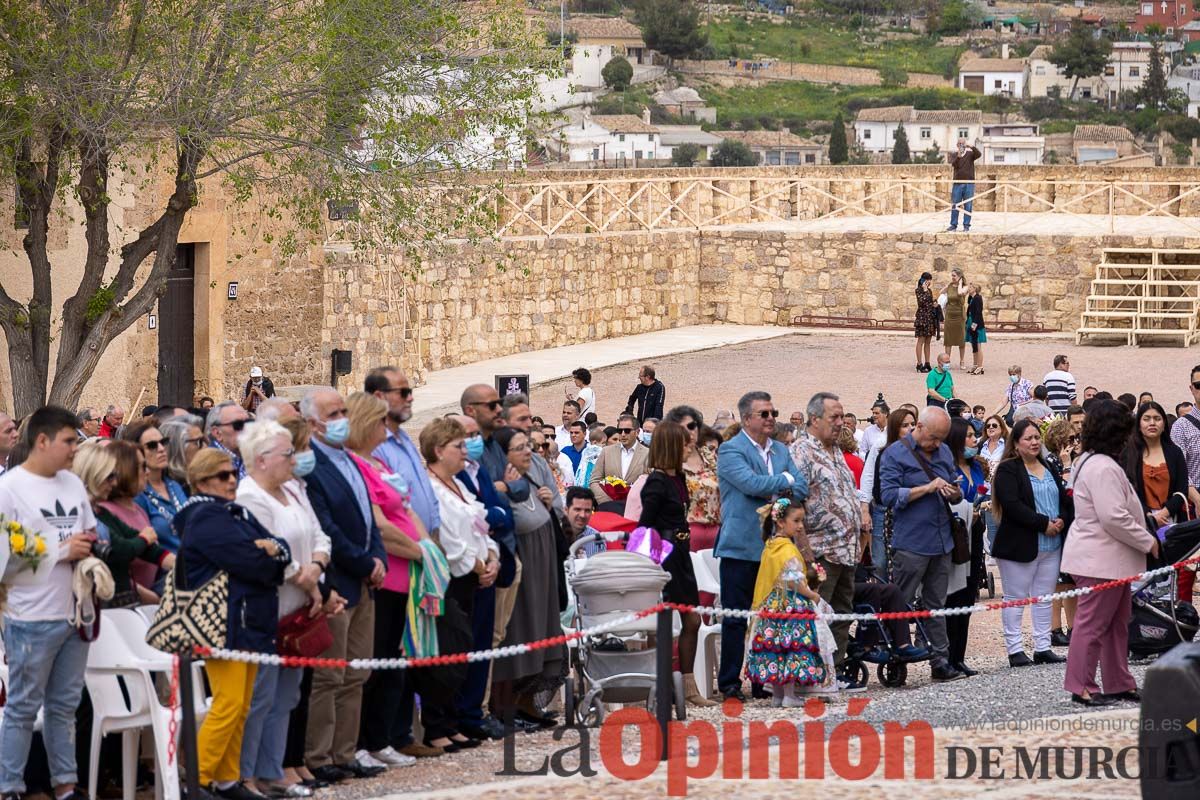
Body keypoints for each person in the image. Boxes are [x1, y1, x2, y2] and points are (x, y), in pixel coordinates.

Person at [177, 448, 292, 799]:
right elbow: (251, 563)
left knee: (242, 705)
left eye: (233, 474)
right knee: (227, 704)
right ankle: (199, 778)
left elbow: (281, 549)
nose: (232, 481)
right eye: (223, 476)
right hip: (226, 621)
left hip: (249, 620)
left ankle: (227, 778)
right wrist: (267, 554)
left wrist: (271, 551)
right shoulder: (206, 518)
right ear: (201, 482)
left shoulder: (234, 513)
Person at [236, 421, 342, 792]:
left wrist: (316, 568)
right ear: (262, 459)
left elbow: (319, 535)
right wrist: (309, 579)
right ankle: (247, 775)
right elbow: (268, 551)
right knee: (260, 698)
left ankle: (274, 768)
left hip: (301, 608)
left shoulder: (293, 490)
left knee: (287, 696)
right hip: (269, 610)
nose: (293, 459)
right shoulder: (250, 496)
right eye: (286, 453)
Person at [300, 388, 387, 782]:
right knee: (330, 675)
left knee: (357, 672)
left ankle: (345, 751)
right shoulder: (312, 467)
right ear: (313, 424)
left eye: (342, 412)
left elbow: (368, 517)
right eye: (332, 414)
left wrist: (378, 557)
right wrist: (364, 560)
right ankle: (319, 755)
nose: (341, 419)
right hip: (338, 579)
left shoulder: (350, 459)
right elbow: (327, 528)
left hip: (365, 580)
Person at [342, 393, 427, 768]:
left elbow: (404, 508)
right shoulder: (357, 466)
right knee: (373, 663)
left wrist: (425, 548)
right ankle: (362, 739)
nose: (384, 429)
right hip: (386, 574)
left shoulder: (375, 462)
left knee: (394, 660)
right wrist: (419, 549)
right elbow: (380, 522)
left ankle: (384, 737)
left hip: (406, 575)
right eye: (378, 422)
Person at [1062, 400, 1160, 706]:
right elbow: (1113, 516)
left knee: (1117, 623)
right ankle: (1081, 685)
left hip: (1108, 559)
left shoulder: (1093, 461)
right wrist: (1148, 541)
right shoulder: (1102, 466)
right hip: (1099, 559)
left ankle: (1118, 681)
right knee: (1092, 624)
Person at [715, 391, 805, 702]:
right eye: (764, 414)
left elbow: (802, 486)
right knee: (735, 618)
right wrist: (784, 480)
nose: (771, 418)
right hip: (741, 546)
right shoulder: (730, 450)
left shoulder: (780, 449)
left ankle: (763, 680)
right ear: (746, 419)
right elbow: (749, 485)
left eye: (773, 412)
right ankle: (729, 683)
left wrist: (780, 485)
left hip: (776, 548)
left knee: (773, 616)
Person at [878, 406, 965, 682]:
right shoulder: (893, 454)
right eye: (934, 438)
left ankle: (940, 660)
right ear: (920, 428)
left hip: (941, 542)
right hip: (911, 543)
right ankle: (895, 656)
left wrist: (954, 492)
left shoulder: (944, 451)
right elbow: (888, 496)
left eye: (942, 439)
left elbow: (955, 490)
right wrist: (925, 489)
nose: (937, 444)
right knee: (901, 600)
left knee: (936, 604)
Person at [634, 420, 716, 707]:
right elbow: (645, 526)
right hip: (665, 556)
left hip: (682, 553)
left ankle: (688, 685)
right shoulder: (655, 481)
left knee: (691, 619)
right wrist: (651, 564)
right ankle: (664, 687)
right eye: (683, 442)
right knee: (665, 624)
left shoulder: (677, 478)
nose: (689, 447)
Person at [485, 426, 562, 729]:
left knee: (542, 631)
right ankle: (504, 708)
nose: (528, 452)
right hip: (523, 563)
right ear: (504, 456)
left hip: (543, 565)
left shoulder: (530, 478)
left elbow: (556, 509)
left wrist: (546, 504)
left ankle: (526, 703)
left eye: (528, 446)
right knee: (517, 633)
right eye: (519, 448)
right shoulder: (503, 485)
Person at [790, 392, 866, 691]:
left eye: (842, 416)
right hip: (819, 552)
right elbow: (792, 504)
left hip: (845, 550)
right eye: (834, 417)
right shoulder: (801, 453)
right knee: (815, 616)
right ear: (814, 419)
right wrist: (805, 552)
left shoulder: (835, 451)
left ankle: (832, 675)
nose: (840, 423)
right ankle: (809, 676)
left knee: (841, 614)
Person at [991, 418, 1073, 668]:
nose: (1034, 442)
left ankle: (1042, 646)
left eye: (1037, 437)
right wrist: (1042, 523)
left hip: (1051, 545)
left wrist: (1061, 520)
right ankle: (1015, 649)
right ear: (1016, 443)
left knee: (1044, 597)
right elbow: (1011, 504)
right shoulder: (1008, 469)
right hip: (1020, 544)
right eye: (1028, 438)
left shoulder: (1048, 465)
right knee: (1015, 597)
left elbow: (1062, 497)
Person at [746, 498, 833, 706]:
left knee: (775, 647)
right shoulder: (786, 549)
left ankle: (778, 695)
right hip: (790, 605)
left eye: (802, 520)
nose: (801, 526)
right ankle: (789, 694)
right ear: (781, 522)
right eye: (796, 521)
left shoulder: (770, 546)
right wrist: (813, 595)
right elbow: (793, 582)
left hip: (772, 606)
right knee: (792, 646)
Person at [366, 367, 442, 548]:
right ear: (379, 397)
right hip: (408, 551)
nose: (410, 398)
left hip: (429, 543)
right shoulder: (374, 446)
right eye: (403, 393)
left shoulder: (403, 436)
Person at [92, 439, 173, 606]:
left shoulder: (137, 508)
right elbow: (118, 563)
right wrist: (156, 600)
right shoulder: (105, 513)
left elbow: (154, 552)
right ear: (125, 470)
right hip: (133, 606)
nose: (147, 472)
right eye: (142, 467)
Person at [945, 418, 985, 677]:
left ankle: (959, 656)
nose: (974, 441)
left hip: (976, 533)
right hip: (956, 535)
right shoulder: (948, 469)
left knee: (969, 595)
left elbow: (983, 492)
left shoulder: (977, 468)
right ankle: (947, 656)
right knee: (954, 595)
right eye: (969, 436)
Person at [860, 408, 917, 574]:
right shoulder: (880, 446)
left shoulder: (918, 449)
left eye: (913, 424)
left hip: (908, 509)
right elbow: (869, 475)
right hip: (883, 510)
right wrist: (864, 509)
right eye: (905, 425)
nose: (910, 428)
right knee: (880, 560)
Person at [123, 419, 189, 554]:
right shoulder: (137, 495)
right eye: (152, 446)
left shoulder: (174, 485)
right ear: (136, 452)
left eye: (163, 442)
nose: (161, 449)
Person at [1124, 400, 1189, 534]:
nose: (1152, 423)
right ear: (1139, 424)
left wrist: (1164, 513)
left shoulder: (1175, 452)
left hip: (1172, 520)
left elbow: (1182, 489)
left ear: (1164, 424)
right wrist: (1149, 517)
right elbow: (1128, 490)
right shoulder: (1129, 454)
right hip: (1140, 522)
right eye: (1146, 419)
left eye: (1157, 419)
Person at [666, 406, 721, 552]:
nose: (689, 432)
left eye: (692, 426)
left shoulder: (709, 456)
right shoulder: (668, 461)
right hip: (684, 532)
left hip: (716, 530)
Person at [588, 413, 649, 506]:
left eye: (627, 431)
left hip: (636, 508)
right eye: (620, 431)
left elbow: (651, 484)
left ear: (637, 432)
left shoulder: (648, 454)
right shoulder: (606, 451)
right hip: (610, 508)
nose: (623, 434)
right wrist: (607, 502)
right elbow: (594, 481)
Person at [207, 401, 251, 480]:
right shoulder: (208, 465)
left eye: (249, 423)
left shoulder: (251, 457)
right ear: (217, 433)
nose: (246, 428)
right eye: (238, 424)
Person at [947, 137, 981, 232]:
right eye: (959, 144)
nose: (961, 145)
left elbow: (979, 154)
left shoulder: (970, 154)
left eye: (963, 144)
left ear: (965, 144)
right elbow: (954, 165)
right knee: (955, 205)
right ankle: (953, 225)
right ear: (957, 145)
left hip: (969, 183)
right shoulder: (954, 155)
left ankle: (966, 225)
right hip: (957, 183)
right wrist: (958, 156)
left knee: (968, 205)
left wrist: (971, 147)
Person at [161, 415, 207, 484]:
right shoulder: (169, 488)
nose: (205, 446)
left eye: (204, 440)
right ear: (178, 446)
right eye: (198, 442)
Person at [942, 269, 967, 370]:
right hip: (949, 315)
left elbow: (960, 293)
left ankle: (962, 361)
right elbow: (941, 292)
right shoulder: (950, 286)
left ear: (960, 277)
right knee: (948, 339)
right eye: (951, 276)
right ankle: (947, 361)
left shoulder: (965, 287)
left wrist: (960, 284)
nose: (952, 277)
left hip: (959, 316)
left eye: (954, 276)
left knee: (961, 339)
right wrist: (948, 285)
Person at [913, 272, 937, 373]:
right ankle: (919, 363)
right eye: (928, 280)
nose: (930, 282)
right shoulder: (919, 290)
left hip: (929, 318)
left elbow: (929, 303)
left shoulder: (929, 291)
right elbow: (922, 302)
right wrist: (925, 290)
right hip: (922, 319)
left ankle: (927, 362)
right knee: (921, 341)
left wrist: (935, 304)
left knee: (928, 342)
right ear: (924, 280)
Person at [966, 284, 986, 375]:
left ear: (975, 289)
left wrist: (974, 324)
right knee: (973, 345)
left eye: (970, 287)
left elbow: (978, 312)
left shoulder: (978, 298)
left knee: (978, 345)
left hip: (976, 324)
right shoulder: (971, 298)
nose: (968, 289)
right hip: (970, 321)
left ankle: (980, 366)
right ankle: (975, 364)